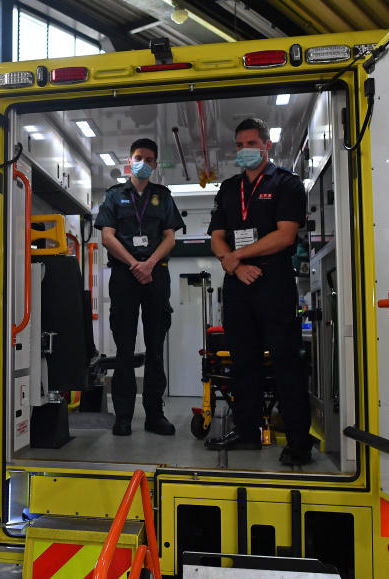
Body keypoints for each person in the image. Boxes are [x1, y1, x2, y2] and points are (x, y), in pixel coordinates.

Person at [205, 118, 313, 466]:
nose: (244, 150)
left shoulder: (287, 184)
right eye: (239, 145)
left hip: (274, 281)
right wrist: (234, 264)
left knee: (286, 363)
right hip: (238, 283)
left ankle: (299, 443)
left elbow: (285, 235)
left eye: (251, 143)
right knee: (243, 363)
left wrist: (238, 256)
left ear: (267, 145)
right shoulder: (228, 188)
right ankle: (247, 431)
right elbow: (217, 236)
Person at [94, 138, 184, 436]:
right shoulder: (114, 196)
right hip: (124, 275)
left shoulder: (163, 196)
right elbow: (107, 236)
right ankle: (123, 416)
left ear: (156, 164)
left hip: (155, 274)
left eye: (148, 158)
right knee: (123, 349)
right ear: (128, 161)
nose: (142, 161)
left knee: (156, 349)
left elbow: (170, 237)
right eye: (137, 157)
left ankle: (154, 415)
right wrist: (134, 264)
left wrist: (148, 265)